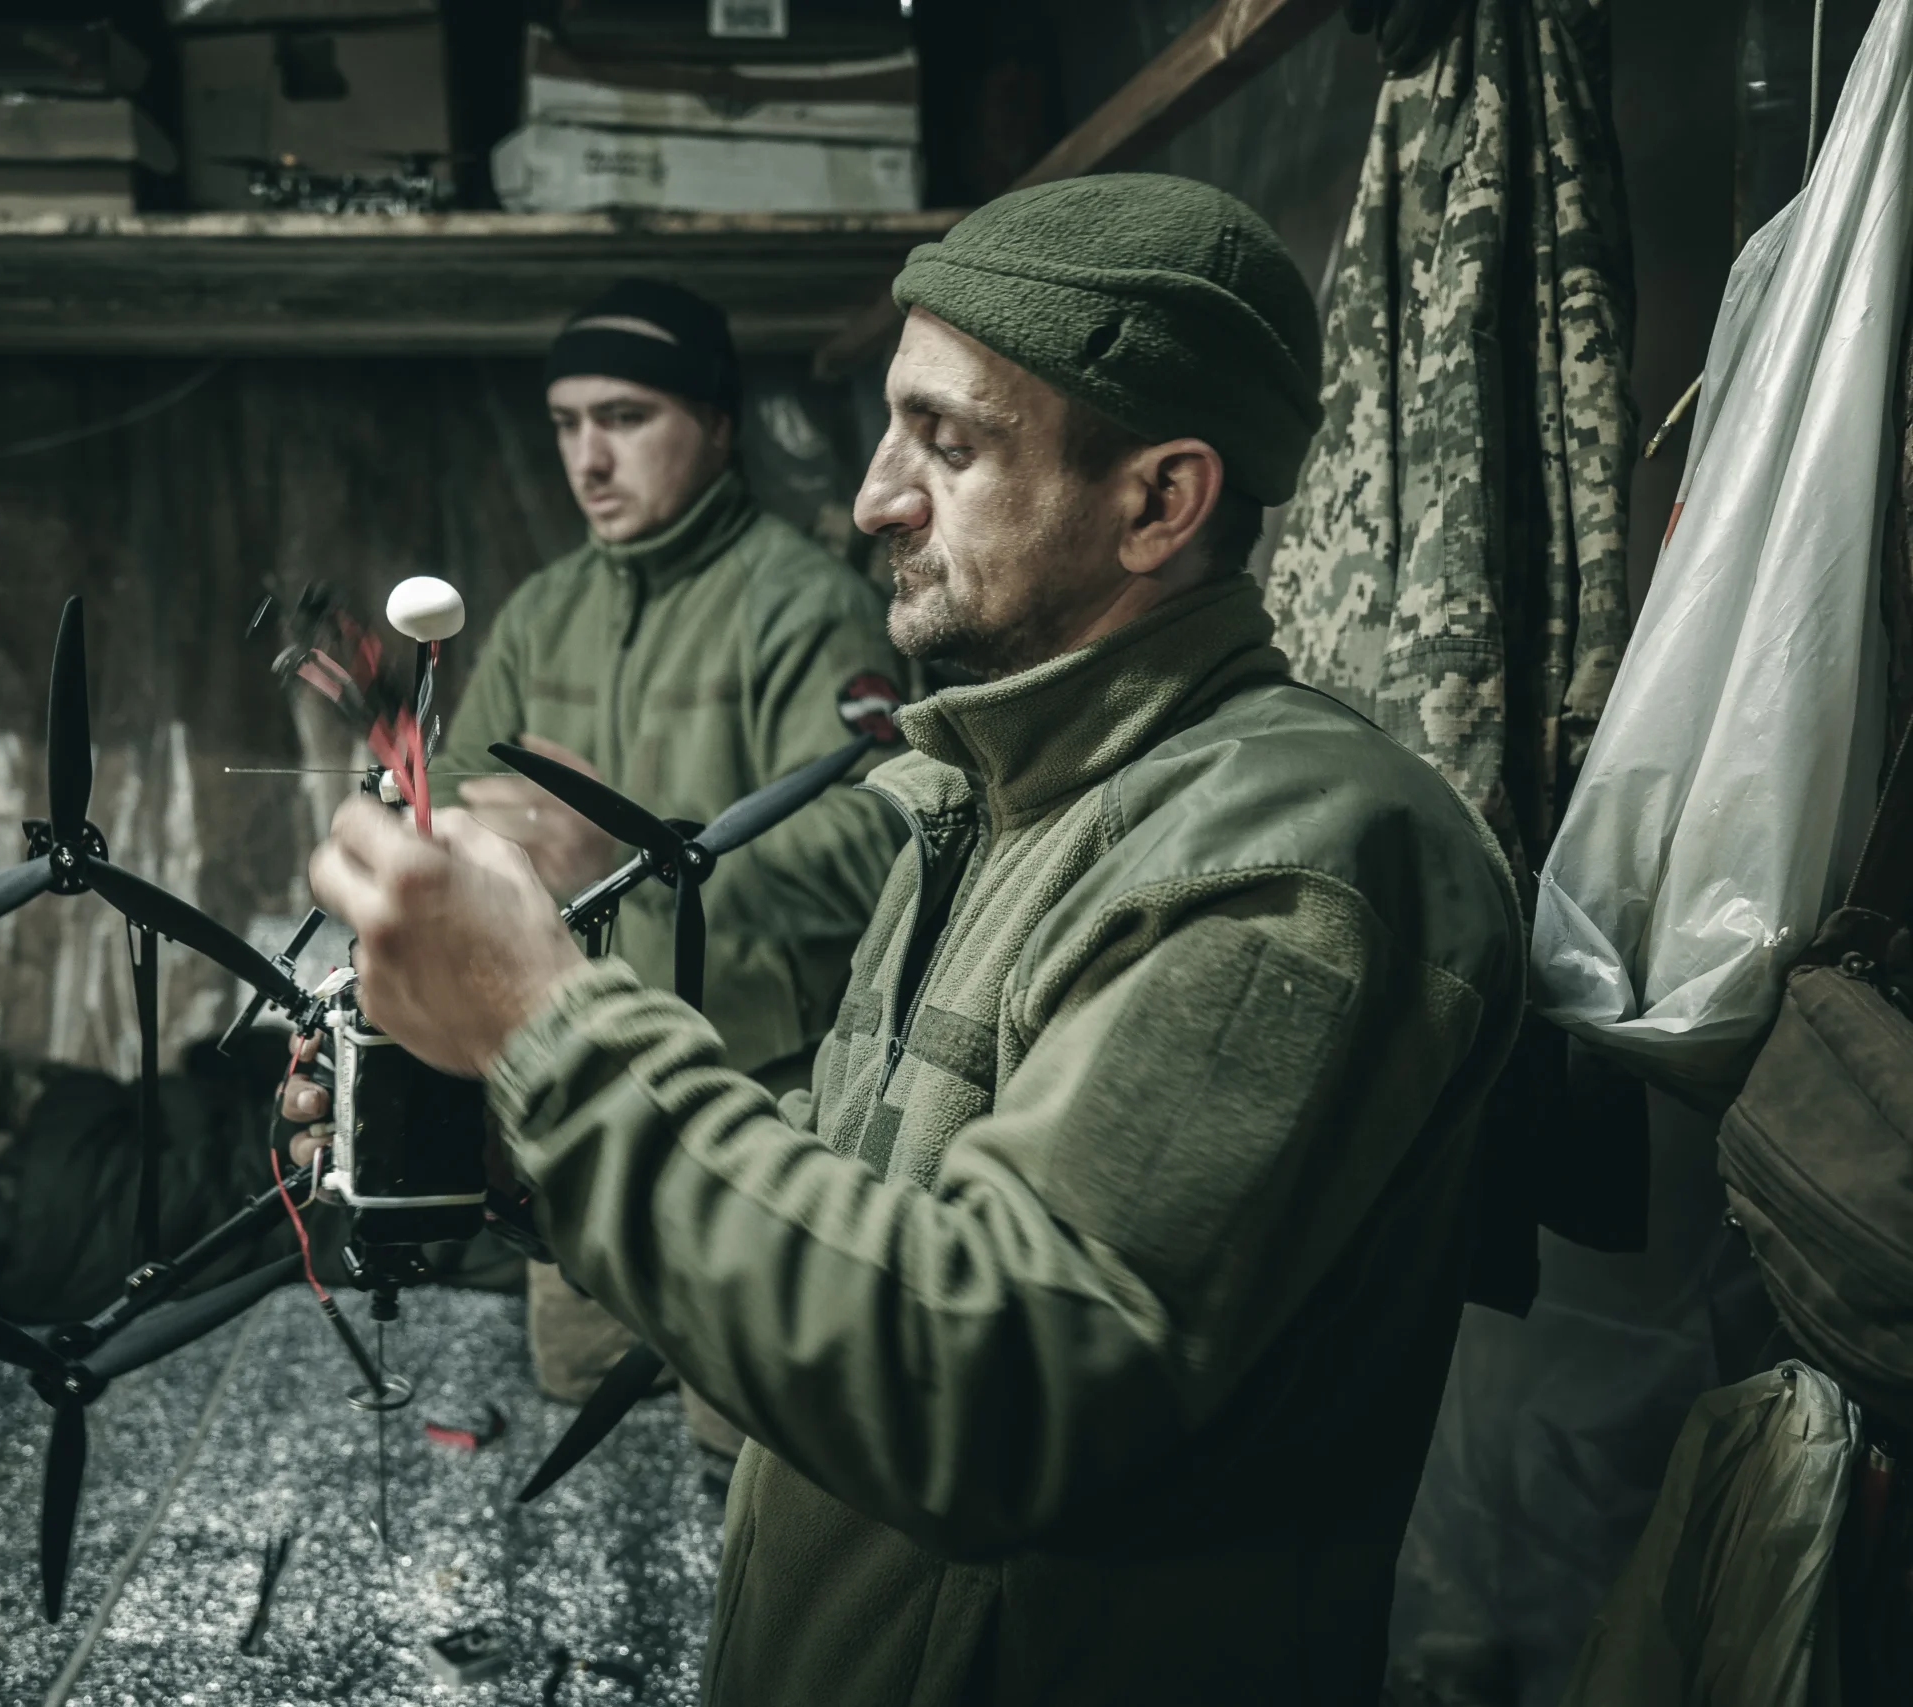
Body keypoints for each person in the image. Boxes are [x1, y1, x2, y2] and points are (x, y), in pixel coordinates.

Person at [301, 175, 1525, 1703]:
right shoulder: (989, 795)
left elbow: (989, 1391)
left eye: (947, 442)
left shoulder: (1297, 862)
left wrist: (545, 1022)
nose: (876, 496)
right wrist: (498, 1130)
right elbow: (843, 1216)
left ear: (1159, 501)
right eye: (893, 430)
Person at [433, 278, 911, 1445]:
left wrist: (630, 847)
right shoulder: (540, 614)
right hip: (578, 1095)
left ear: (718, 424)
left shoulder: (808, 608)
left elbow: (880, 850)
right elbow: (450, 791)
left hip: (753, 1107)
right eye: (565, 425)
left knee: (739, 1446)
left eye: (625, 418)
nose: (587, 460)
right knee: (572, 1386)